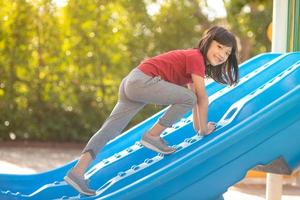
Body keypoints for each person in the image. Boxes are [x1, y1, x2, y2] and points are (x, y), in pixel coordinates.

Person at [64, 26, 239, 196]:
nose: (222, 54)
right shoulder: (196, 57)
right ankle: (153, 136)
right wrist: (205, 129)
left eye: (227, 53)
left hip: (132, 81)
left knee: (109, 130)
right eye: (219, 47)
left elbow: (194, 99)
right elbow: (201, 97)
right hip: (142, 81)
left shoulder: (192, 61)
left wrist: (199, 129)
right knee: (189, 97)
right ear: (208, 42)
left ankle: (77, 173)